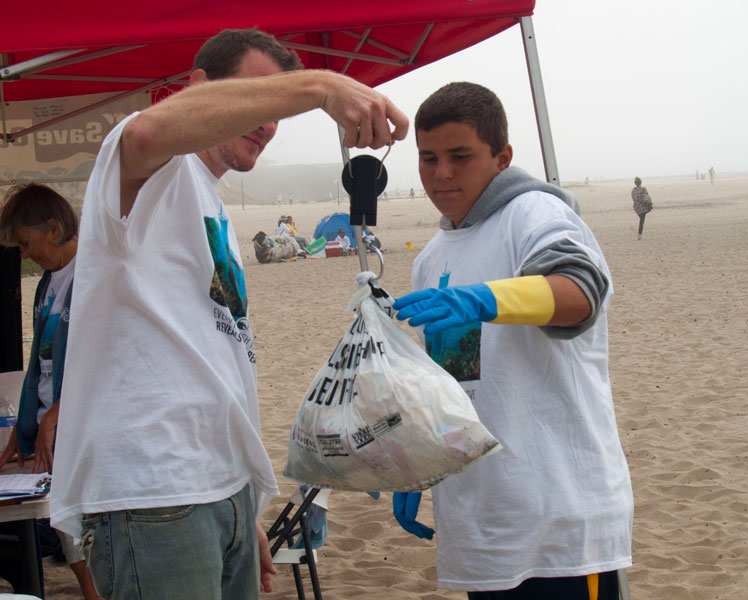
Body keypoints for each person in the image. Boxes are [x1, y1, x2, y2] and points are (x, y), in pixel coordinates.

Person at [48, 28, 407, 600]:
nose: (268, 119)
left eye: (279, 106)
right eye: (259, 96)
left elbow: (215, 352)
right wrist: (318, 86)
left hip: (220, 489)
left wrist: (241, 497)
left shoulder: (209, 198)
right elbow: (149, 131)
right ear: (197, 88)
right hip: (155, 491)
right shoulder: (145, 168)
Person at [391, 82, 632, 599]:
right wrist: (419, 465)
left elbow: (581, 291)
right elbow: (451, 385)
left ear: (502, 157)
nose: (442, 173)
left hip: (558, 519)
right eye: (428, 158)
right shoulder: (432, 256)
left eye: (460, 156)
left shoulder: (535, 215)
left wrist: (484, 300)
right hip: (482, 522)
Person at [0, 184, 101, 600]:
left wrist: (58, 411)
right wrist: (21, 429)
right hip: (51, 425)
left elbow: (104, 358)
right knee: (64, 520)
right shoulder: (47, 284)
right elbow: (40, 368)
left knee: (81, 518)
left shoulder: (96, 273)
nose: (25, 254)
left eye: (26, 243)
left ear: (53, 228)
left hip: (82, 426)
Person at [631, 176, 653, 240]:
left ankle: (639, 234)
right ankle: (639, 235)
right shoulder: (643, 189)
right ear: (640, 183)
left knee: (642, 219)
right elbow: (646, 198)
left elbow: (634, 199)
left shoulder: (633, 191)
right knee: (642, 221)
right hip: (642, 207)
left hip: (636, 207)